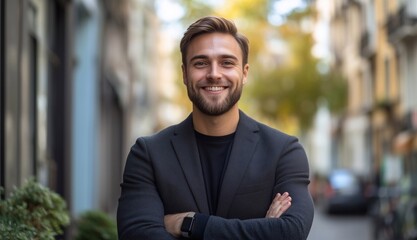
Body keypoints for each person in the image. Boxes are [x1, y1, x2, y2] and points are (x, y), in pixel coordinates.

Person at [117, 16, 314, 239]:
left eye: (227, 63)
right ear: (184, 74)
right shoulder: (148, 154)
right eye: (200, 63)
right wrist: (261, 230)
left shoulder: (283, 151)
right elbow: (137, 235)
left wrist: (191, 223)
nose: (214, 73)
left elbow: (291, 232)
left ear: (245, 72)